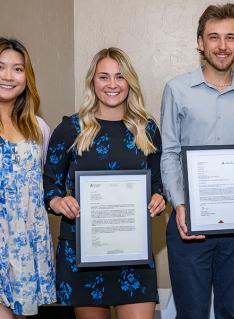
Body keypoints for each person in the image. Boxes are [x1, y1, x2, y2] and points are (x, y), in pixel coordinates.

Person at [43, 47, 165, 319]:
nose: (112, 84)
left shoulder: (148, 129)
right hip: (85, 253)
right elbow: (49, 185)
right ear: (92, 82)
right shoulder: (70, 129)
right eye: (104, 77)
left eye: (119, 77)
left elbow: (158, 182)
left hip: (134, 254)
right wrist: (59, 201)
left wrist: (159, 198)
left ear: (129, 82)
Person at [160, 3, 234, 318]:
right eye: (214, 37)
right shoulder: (176, 90)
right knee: (191, 313)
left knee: (231, 312)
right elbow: (170, 152)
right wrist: (179, 204)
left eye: (230, 38)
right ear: (200, 42)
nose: (222, 46)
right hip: (190, 221)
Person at [0, 37, 55, 318]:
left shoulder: (39, 128)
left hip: (25, 247)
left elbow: (42, 186)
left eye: (17, 69)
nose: (8, 76)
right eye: (1, 67)